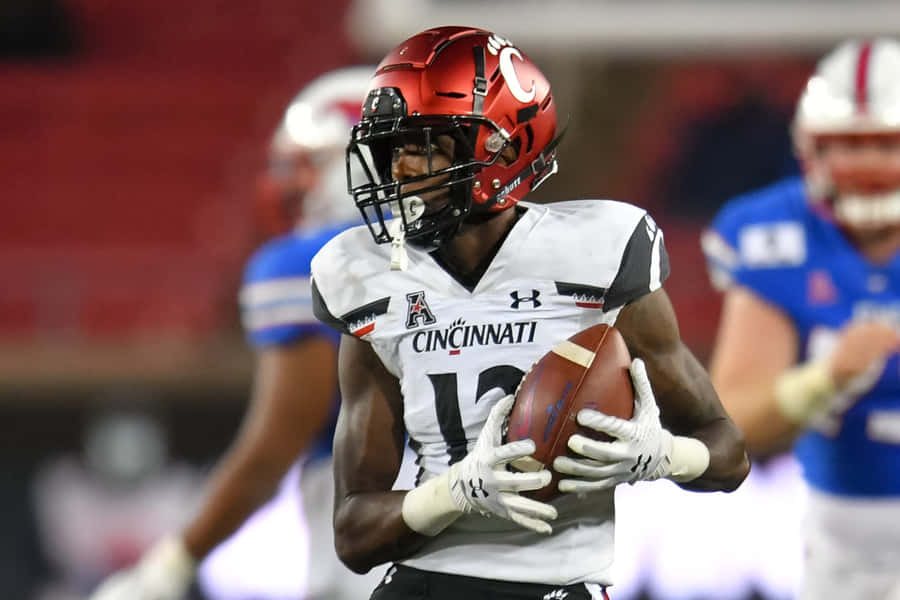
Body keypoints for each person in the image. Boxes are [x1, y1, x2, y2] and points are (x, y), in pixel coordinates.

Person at [309, 26, 749, 600]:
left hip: (557, 582)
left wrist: (663, 455)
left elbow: (728, 454)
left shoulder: (598, 253)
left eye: (427, 144)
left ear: (505, 148)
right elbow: (354, 534)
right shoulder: (368, 275)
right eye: (395, 148)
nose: (402, 171)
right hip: (422, 583)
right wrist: (455, 491)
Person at [90, 65, 413, 600]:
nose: (287, 185)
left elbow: (273, 448)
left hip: (380, 543)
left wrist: (171, 563)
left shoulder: (307, 263)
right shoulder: (469, 253)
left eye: (308, 165)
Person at [703, 38, 900, 600]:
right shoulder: (773, 234)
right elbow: (733, 422)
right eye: (848, 145)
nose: (865, 166)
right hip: (838, 533)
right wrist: (824, 380)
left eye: (885, 144)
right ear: (811, 149)